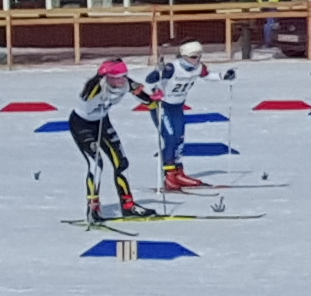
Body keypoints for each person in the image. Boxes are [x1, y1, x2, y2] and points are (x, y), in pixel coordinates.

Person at [64, 55, 153, 223]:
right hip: (82, 125)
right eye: (117, 78)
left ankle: (128, 205)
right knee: (96, 164)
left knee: (121, 163)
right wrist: (101, 83)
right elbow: (87, 95)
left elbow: (144, 97)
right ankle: (93, 207)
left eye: (123, 76)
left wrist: (154, 101)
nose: (122, 81)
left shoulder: (125, 82)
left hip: (102, 122)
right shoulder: (97, 86)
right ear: (108, 77)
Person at [142, 43, 225, 194]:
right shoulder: (172, 68)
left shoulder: (199, 67)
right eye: (193, 57)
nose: (197, 60)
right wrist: (157, 72)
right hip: (162, 106)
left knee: (180, 138)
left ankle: (179, 172)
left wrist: (223, 76)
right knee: (170, 138)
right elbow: (149, 81)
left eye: (199, 56)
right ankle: (169, 175)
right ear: (184, 57)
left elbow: (207, 76)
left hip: (177, 106)